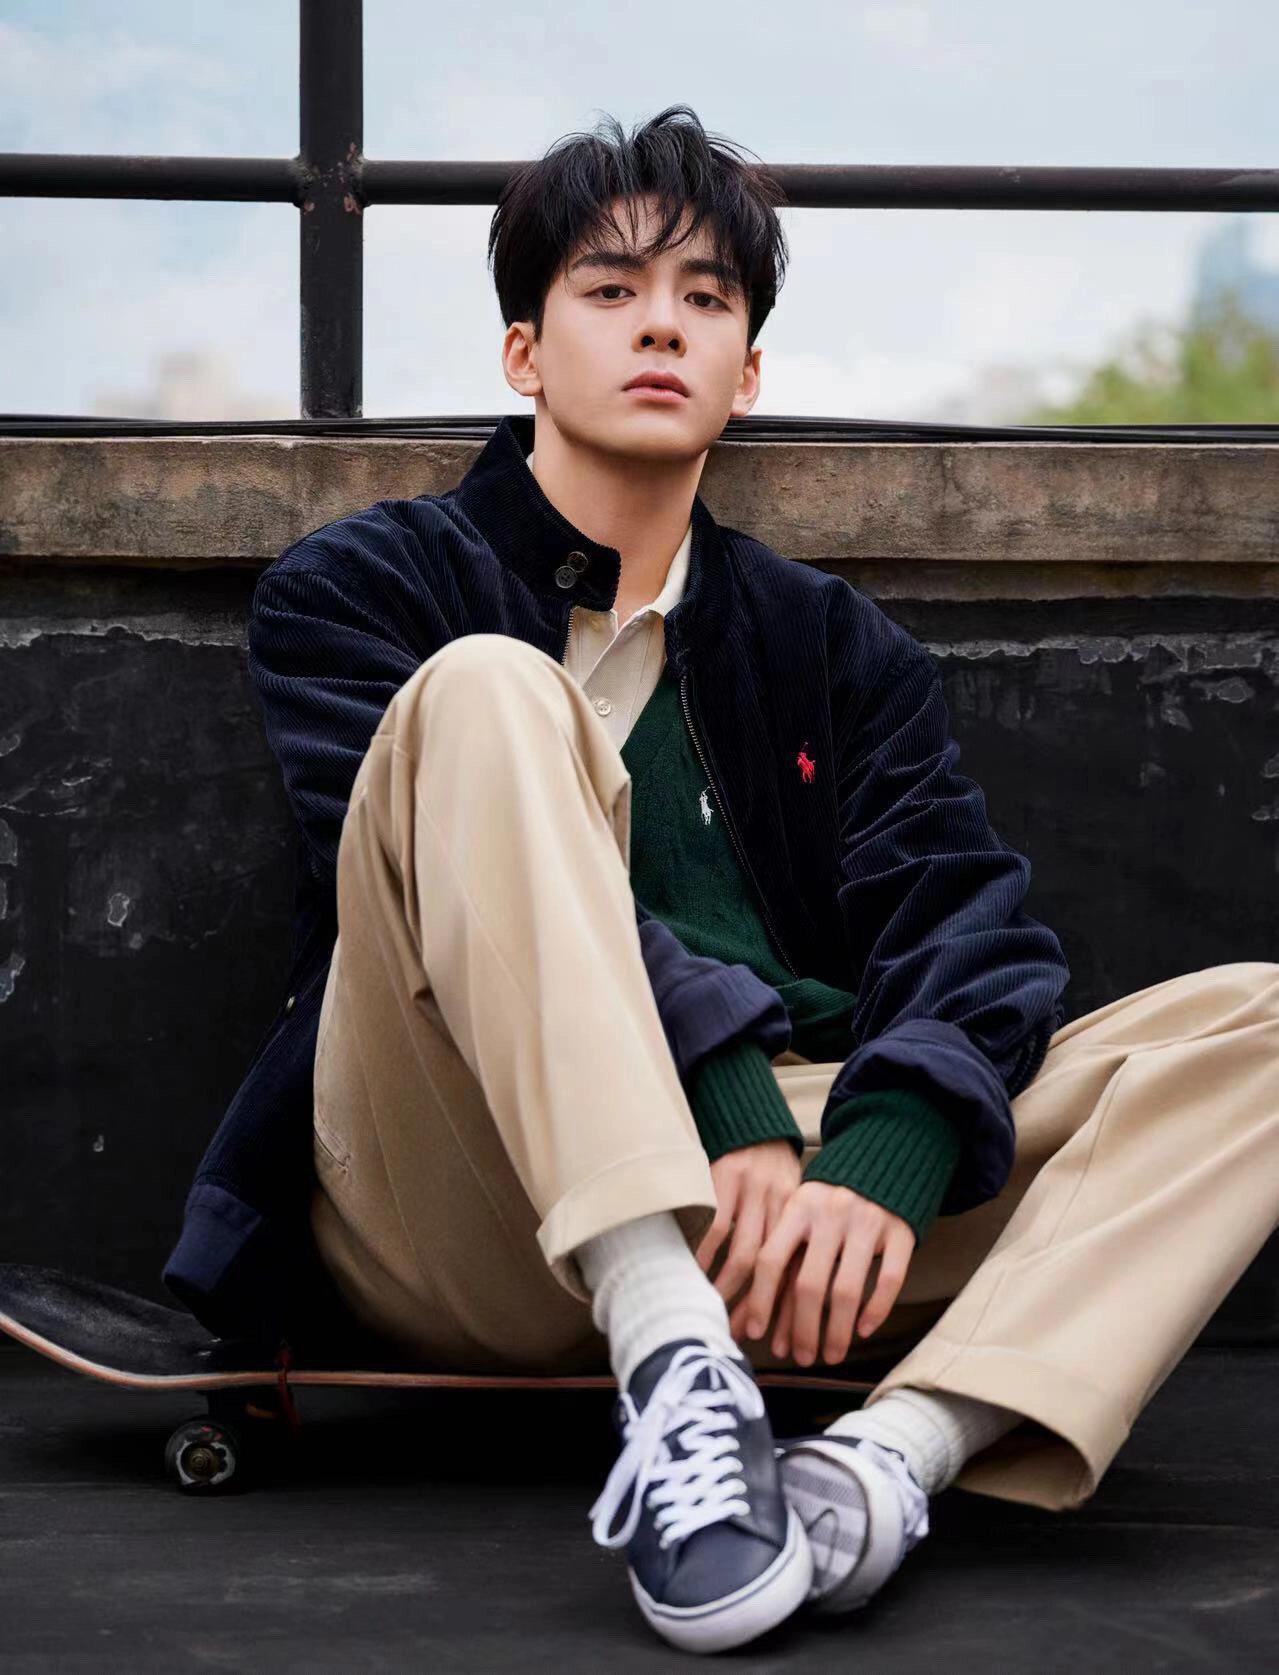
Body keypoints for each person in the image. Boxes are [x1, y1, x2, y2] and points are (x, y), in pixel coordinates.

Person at [161, 105, 1279, 1655]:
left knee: (1258, 1026)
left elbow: (969, 924)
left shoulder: (831, 645)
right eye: (610, 290)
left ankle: (882, 1469)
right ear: (523, 352)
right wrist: (719, 1086)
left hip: (782, 1223)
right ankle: (675, 1359)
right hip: (460, 1179)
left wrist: (881, 1155)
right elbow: (393, 891)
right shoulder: (365, 590)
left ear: (747, 372)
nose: (661, 325)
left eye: (705, 297)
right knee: (485, 689)